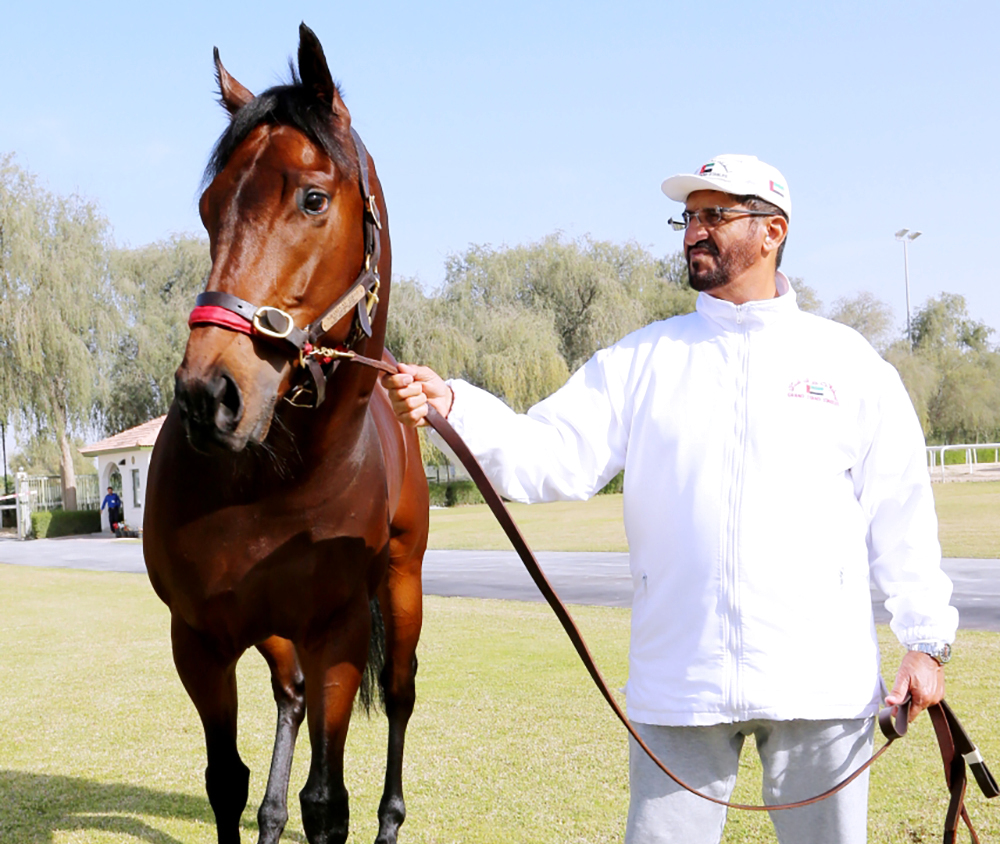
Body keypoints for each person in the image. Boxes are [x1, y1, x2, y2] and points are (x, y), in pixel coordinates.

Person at [382, 154, 957, 844]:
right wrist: (453, 404)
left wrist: (925, 642)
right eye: (688, 217)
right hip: (680, 680)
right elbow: (548, 457)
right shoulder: (642, 360)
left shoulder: (849, 364)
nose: (694, 232)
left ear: (773, 231)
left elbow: (901, 513)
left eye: (716, 215)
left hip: (821, 682)